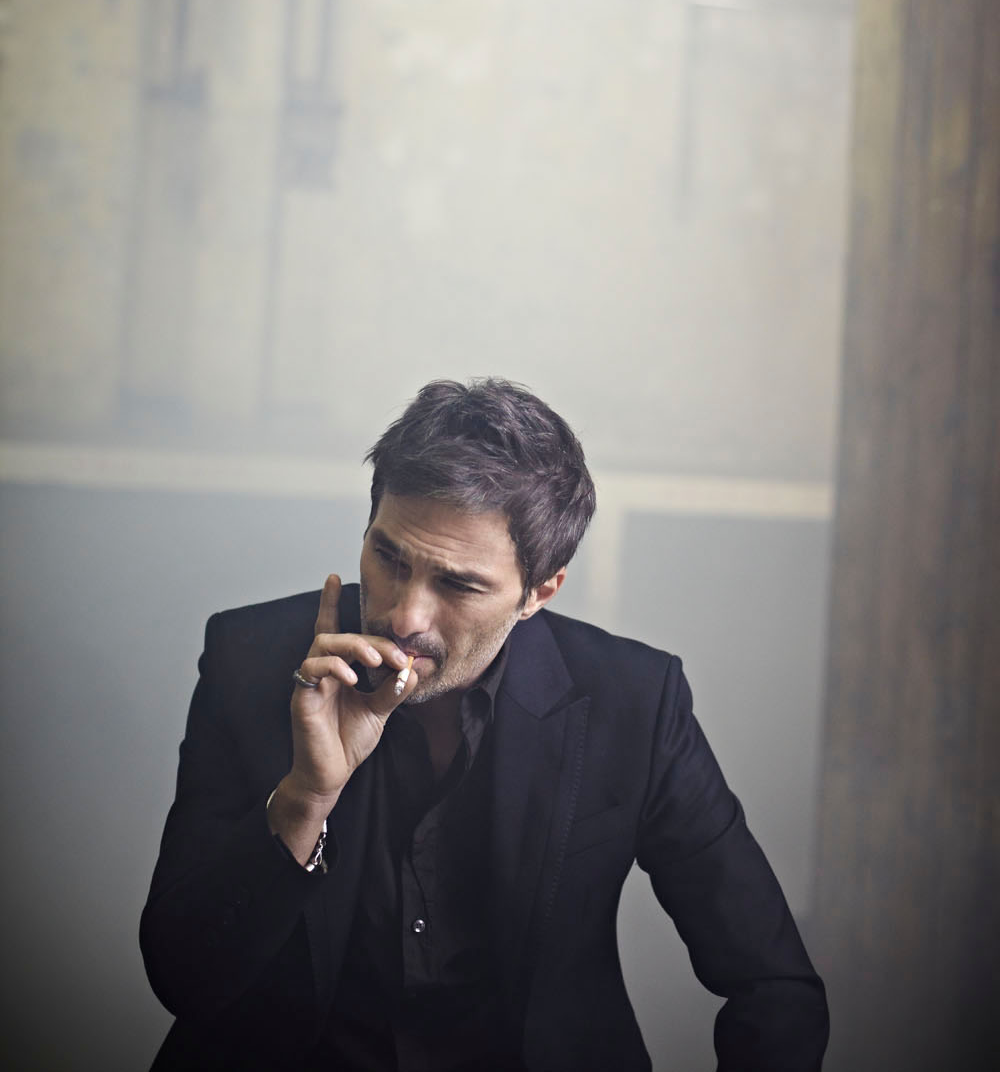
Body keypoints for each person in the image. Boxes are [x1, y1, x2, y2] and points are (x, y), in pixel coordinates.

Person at [141, 378, 829, 1071]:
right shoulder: (252, 661)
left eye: (458, 584)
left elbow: (774, 986)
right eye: (389, 558)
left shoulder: (634, 703)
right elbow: (184, 977)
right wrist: (305, 798)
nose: (405, 616)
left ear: (540, 591)